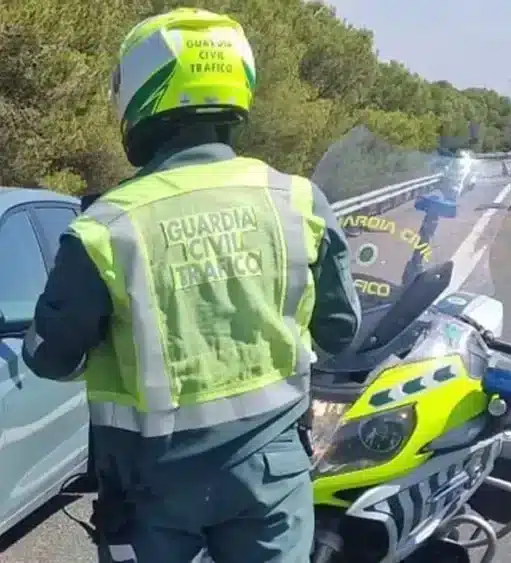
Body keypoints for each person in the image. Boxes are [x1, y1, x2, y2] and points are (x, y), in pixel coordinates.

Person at [22, 8, 361, 563]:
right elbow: (340, 331)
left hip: (151, 488)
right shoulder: (298, 201)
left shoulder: (106, 226)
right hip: (270, 476)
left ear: (138, 94)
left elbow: (50, 358)